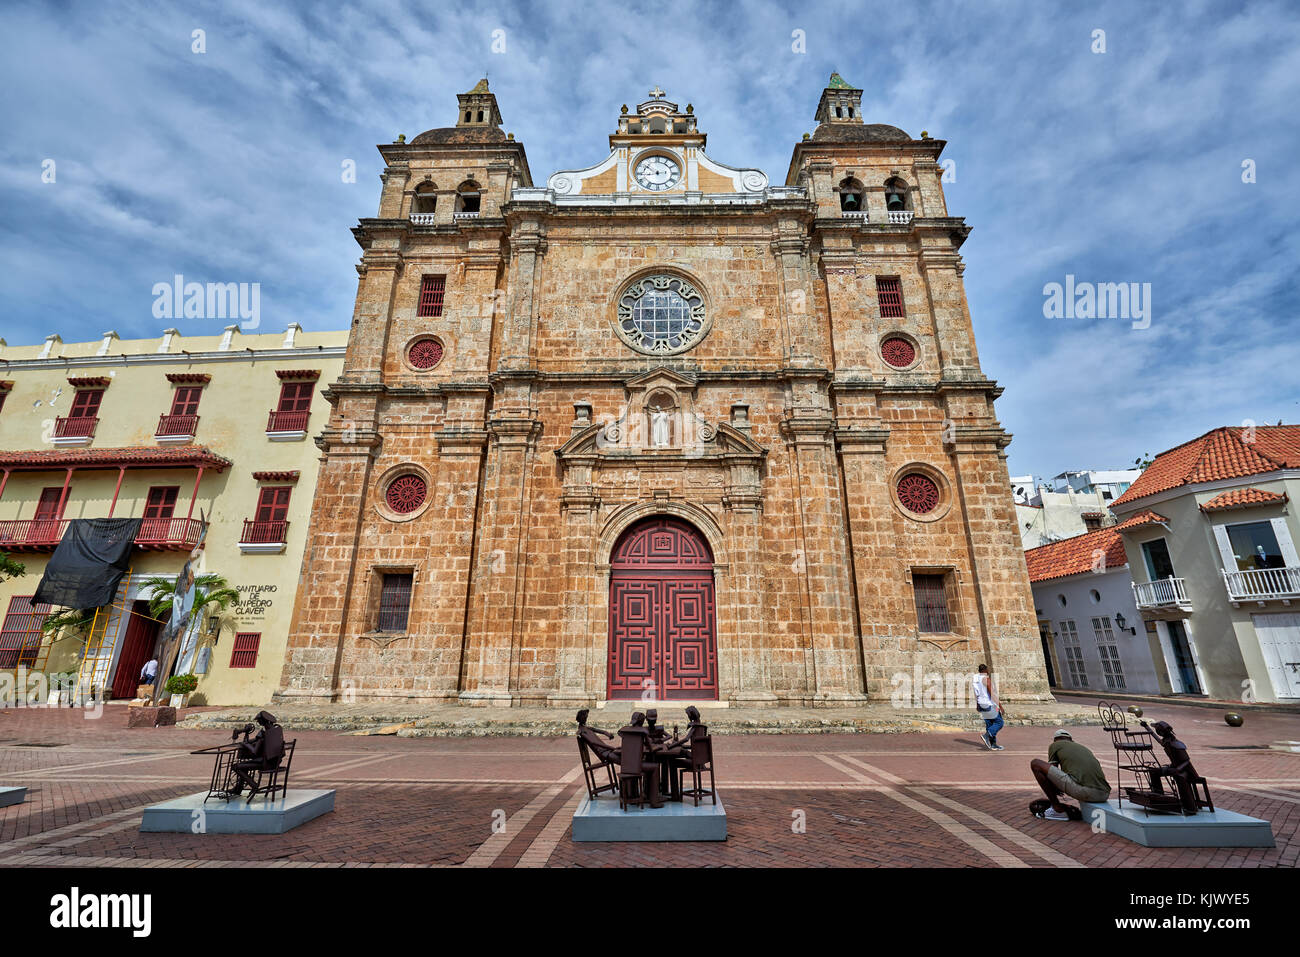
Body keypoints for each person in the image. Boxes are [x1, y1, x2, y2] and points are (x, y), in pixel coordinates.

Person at [1031, 729, 1111, 820]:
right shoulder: (1083, 747)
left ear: (1055, 740)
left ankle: (1057, 809)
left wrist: (1054, 789)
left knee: (1036, 764)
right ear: (1070, 739)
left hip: (1087, 792)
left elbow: (1052, 770)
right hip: (1104, 794)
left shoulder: (1055, 745)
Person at [227, 711, 286, 798]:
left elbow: (254, 751)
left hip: (265, 764)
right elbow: (255, 740)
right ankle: (238, 789)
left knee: (236, 766)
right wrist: (248, 741)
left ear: (263, 721)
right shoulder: (275, 731)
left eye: (259, 721)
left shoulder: (264, 734)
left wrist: (246, 744)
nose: (258, 722)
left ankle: (254, 786)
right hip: (274, 762)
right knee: (244, 767)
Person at [972, 664, 1004, 750]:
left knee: (990, 724)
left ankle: (993, 744)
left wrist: (977, 704)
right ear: (985, 670)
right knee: (999, 722)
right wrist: (1000, 706)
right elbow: (992, 694)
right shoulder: (986, 679)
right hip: (988, 705)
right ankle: (986, 735)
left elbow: (976, 693)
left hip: (981, 704)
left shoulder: (976, 680)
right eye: (988, 670)